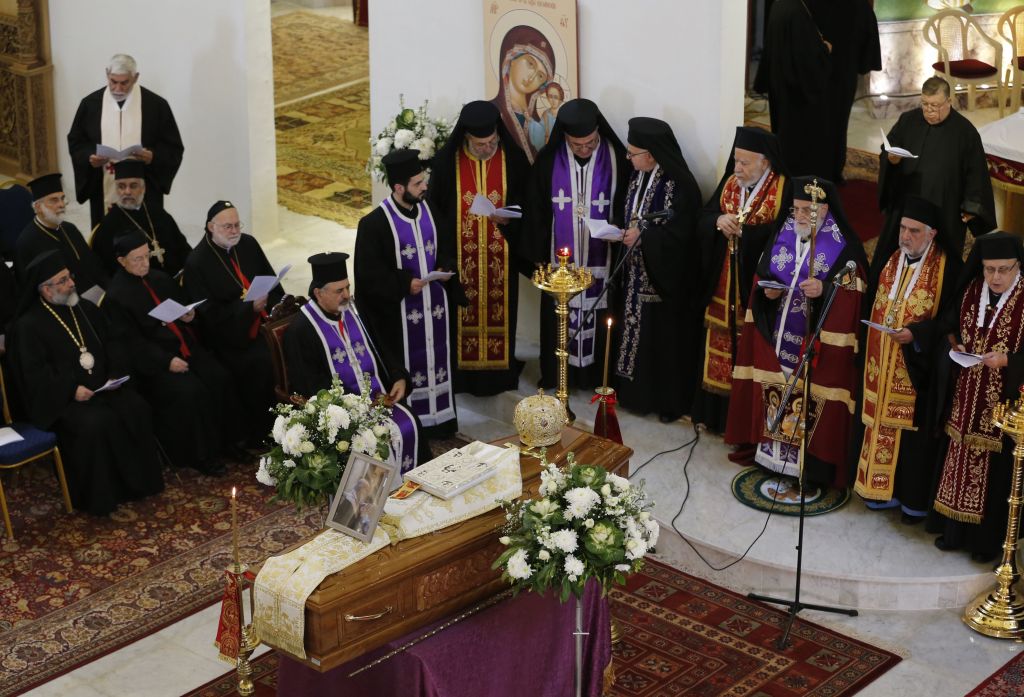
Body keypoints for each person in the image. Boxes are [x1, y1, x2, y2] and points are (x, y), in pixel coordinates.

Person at [725, 176, 867, 489]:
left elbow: (855, 290)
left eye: (807, 210)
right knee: (775, 387)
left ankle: (806, 465)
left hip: (811, 344)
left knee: (807, 396)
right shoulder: (785, 232)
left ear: (825, 209)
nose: (800, 216)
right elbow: (764, 274)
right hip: (777, 336)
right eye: (796, 209)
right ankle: (770, 456)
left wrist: (825, 289)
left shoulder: (843, 246)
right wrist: (767, 294)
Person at [9, 250, 163, 515]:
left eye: (69, 277)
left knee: (136, 407)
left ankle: (140, 484)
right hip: (66, 399)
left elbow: (113, 343)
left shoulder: (86, 308)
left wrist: (114, 373)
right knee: (96, 423)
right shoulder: (28, 326)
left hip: (103, 386)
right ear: (45, 290)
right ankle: (102, 497)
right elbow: (34, 375)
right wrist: (71, 389)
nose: (71, 284)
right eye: (62, 281)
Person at [853, 196, 960, 523]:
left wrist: (917, 336)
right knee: (878, 425)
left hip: (916, 372)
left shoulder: (947, 268)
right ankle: (876, 491)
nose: (905, 236)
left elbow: (950, 323)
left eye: (914, 231)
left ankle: (909, 501)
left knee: (912, 440)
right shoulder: (890, 260)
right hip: (879, 367)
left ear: (931, 234)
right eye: (902, 229)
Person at [104, 232, 238, 476]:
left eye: (147, 257)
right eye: (137, 259)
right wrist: (166, 361)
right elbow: (132, 343)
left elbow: (182, 306)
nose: (145, 263)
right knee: (191, 393)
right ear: (121, 261)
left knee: (220, 377)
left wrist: (190, 316)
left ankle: (228, 443)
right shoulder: (117, 297)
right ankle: (201, 455)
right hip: (156, 363)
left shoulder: (160, 278)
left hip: (185, 347)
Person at [930, 232, 1024, 563]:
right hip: (966, 398)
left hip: (1002, 410)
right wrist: (953, 343)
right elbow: (948, 324)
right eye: (988, 269)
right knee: (958, 460)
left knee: (995, 476)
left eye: (1003, 270)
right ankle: (953, 533)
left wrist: (1010, 361)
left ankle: (983, 544)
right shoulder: (972, 290)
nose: (995, 277)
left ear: (1017, 267)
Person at [283, 252, 423, 472]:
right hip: (344, 417)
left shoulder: (355, 312)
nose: (347, 295)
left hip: (379, 402)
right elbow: (309, 386)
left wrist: (398, 376)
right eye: (339, 291)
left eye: (348, 287)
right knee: (372, 441)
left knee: (411, 423)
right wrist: (355, 406)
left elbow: (381, 349)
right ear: (319, 293)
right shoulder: (302, 331)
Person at [355, 150, 459, 439]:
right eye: (417, 183)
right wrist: (405, 284)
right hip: (401, 317)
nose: (424, 186)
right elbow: (368, 279)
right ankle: (415, 428)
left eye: (423, 180)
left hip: (435, 309)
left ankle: (443, 423)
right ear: (398, 187)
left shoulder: (428, 209)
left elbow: (446, 245)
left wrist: (445, 267)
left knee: (439, 362)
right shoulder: (374, 224)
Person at [693, 126, 790, 434]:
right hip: (721, 285)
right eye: (736, 160)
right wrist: (718, 221)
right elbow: (705, 217)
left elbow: (784, 240)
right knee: (717, 349)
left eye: (745, 163)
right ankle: (713, 417)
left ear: (766, 163)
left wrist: (747, 234)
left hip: (753, 288)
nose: (737, 168)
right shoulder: (731, 184)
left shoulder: (782, 190)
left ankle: (742, 424)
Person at [428, 100, 529, 396]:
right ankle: (464, 376)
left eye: (491, 141)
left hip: (501, 256)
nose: (487, 148)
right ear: (466, 138)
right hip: (462, 258)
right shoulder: (448, 163)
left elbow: (527, 205)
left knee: (501, 310)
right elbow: (437, 212)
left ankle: (501, 373)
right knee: (463, 312)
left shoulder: (513, 159)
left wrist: (510, 220)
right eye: (480, 143)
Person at [527, 98, 628, 390]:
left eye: (590, 143)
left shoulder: (616, 158)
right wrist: (537, 253)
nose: (584, 149)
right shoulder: (549, 160)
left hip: (601, 259)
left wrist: (618, 230)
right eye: (577, 145)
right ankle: (560, 378)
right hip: (560, 261)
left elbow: (624, 203)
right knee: (560, 315)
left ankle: (596, 378)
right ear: (565, 138)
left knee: (600, 314)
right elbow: (536, 211)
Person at [613, 117, 703, 422]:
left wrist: (645, 238)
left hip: (663, 283)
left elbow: (683, 236)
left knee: (660, 342)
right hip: (634, 278)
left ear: (650, 154)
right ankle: (632, 396)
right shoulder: (638, 176)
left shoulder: (681, 186)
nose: (629, 158)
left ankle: (663, 402)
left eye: (632, 153)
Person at [182, 200, 284, 446]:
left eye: (237, 224)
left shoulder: (247, 244)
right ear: (210, 227)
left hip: (262, 323)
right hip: (228, 339)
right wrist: (247, 310)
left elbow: (271, 281)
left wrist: (281, 307)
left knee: (290, 342)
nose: (234, 231)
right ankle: (266, 433)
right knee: (262, 361)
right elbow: (208, 316)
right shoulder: (197, 262)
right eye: (227, 226)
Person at [876, 77, 996, 274]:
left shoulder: (965, 132)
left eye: (935, 105)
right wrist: (892, 160)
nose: (929, 110)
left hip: (944, 207)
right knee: (890, 255)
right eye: (925, 104)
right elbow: (888, 150)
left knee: (940, 268)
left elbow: (976, 173)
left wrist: (971, 207)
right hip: (906, 203)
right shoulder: (908, 120)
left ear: (949, 101)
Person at [67, 53, 184, 227]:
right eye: (113, 82)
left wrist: (153, 157)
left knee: (146, 233)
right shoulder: (91, 104)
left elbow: (173, 147)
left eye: (124, 83)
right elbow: (76, 142)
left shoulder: (156, 106)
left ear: (136, 77)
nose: (118, 89)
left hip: (145, 187)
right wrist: (89, 157)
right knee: (106, 237)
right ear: (107, 74)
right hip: (104, 186)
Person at [753, 0, 832, 178]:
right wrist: (825, 50)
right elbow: (806, 57)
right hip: (796, 93)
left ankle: (783, 172)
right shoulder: (797, 12)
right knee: (797, 143)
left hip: (780, 84)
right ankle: (795, 179)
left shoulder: (780, 4)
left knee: (782, 135)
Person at [806, 0, 881, 183]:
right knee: (838, 123)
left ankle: (811, 168)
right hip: (844, 74)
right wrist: (862, 65)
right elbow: (867, 32)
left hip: (814, 73)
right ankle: (833, 171)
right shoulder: (858, 5)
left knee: (813, 121)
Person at [90, 160, 192, 278]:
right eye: (121, 186)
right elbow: (105, 270)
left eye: (133, 186)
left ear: (143, 189)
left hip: (171, 282)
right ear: (116, 190)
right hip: (135, 289)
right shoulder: (108, 225)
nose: (127, 192)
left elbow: (183, 248)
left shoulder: (159, 213)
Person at [15, 173, 108, 295]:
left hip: (90, 291)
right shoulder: (26, 242)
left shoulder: (69, 228)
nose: (61, 205)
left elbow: (92, 264)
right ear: (38, 207)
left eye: (62, 198)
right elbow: (29, 288)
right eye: (54, 200)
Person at [489, 25, 556, 163]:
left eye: (540, 76)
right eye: (530, 64)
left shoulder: (541, 122)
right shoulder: (491, 112)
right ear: (511, 58)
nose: (531, 78)